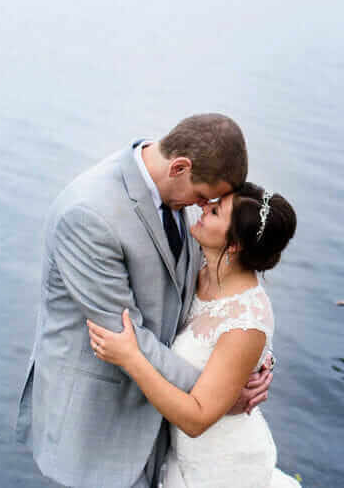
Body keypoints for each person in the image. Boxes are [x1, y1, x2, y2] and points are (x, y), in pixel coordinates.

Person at [16, 114, 272, 488]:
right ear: (180, 166)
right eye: (203, 198)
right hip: (100, 423)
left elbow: (216, 299)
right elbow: (124, 334)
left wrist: (252, 361)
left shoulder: (173, 190)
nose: (202, 208)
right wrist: (217, 394)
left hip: (164, 420)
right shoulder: (88, 214)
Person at [87, 183, 299, 488]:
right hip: (179, 456)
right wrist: (261, 361)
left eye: (215, 212)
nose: (202, 209)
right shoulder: (197, 265)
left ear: (235, 244)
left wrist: (130, 358)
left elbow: (197, 418)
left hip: (222, 469)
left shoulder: (245, 323)